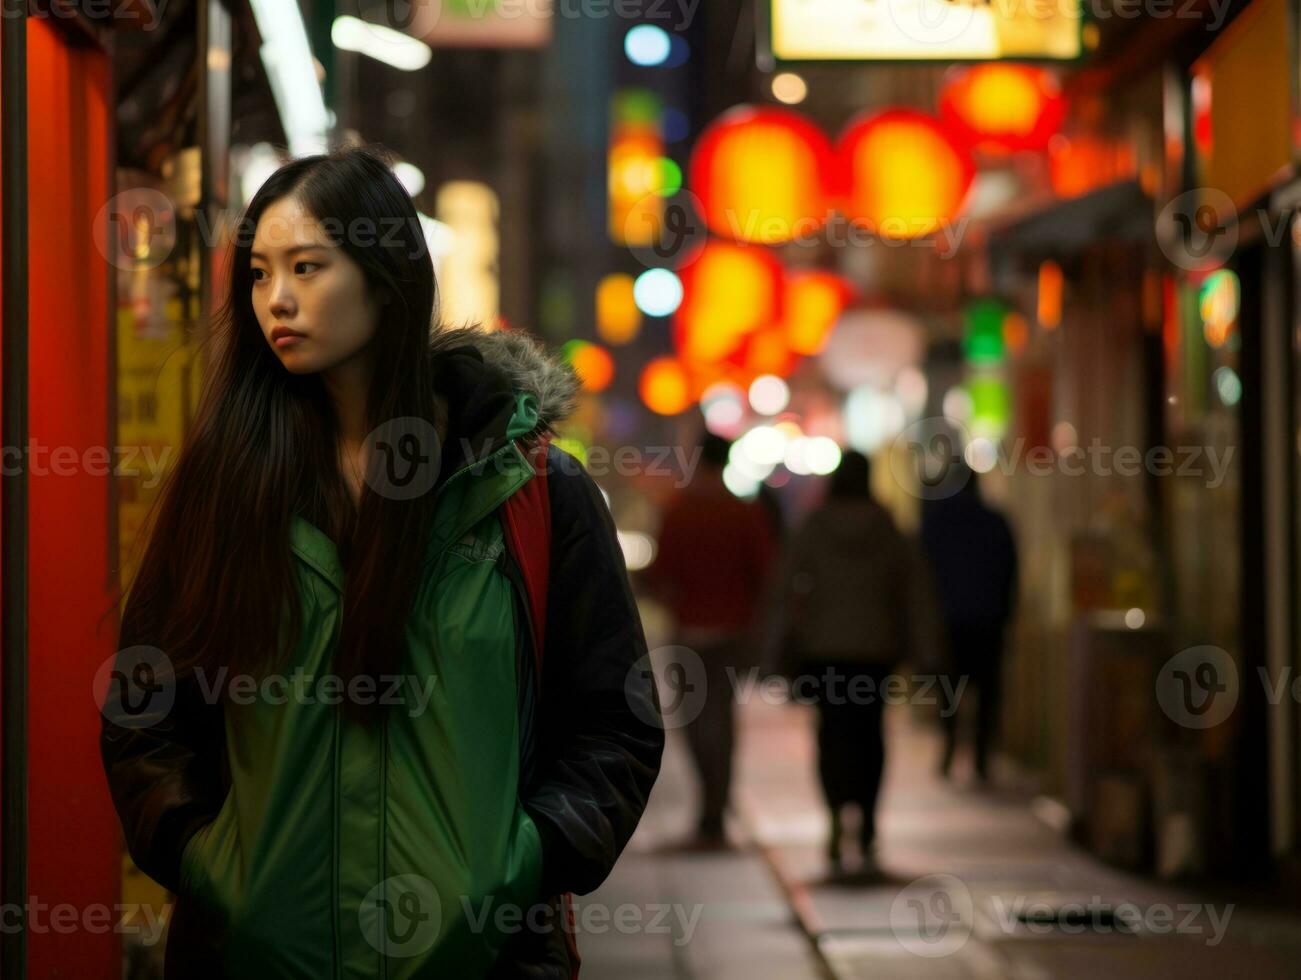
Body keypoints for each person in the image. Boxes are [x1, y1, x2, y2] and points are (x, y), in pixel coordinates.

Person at [99, 146, 664, 978]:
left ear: (386, 276)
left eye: (306, 267)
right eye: (257, 274)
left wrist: (521, 863)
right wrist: (207, 862)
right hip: (256, 959)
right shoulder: (228, 487)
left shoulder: (527, 491)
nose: (276, 300)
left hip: (479, 960)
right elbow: (145, 707)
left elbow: (615, 719)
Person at [773, 450, 936, 875]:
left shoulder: (814, 526)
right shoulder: (887, 529)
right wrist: (926, 652)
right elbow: (914, 593)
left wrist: (780, 645)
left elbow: (786, 587)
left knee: (831, 734)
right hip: (875, 652)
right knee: (870, 736)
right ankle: (865, 821)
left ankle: (833, 816)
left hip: (825, 650)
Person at [642, 432, 775, 848]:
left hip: (689, 634)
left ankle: (710, 808)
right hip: (734, 633)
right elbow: (767, 574)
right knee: (724, 719)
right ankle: (716, 808)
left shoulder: (679, 512)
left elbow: (660, 573)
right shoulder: (744, 513)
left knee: (695, 720)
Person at [920, 465, 1018, 783]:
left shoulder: (936, 523)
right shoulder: (995, 523)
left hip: (947, 621)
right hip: (988, 620)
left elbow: (923, 574)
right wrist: (1006, 614)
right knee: (987, 690)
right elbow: (1009, 574)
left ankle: (949, 747)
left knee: (949, 688)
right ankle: (980, 758)